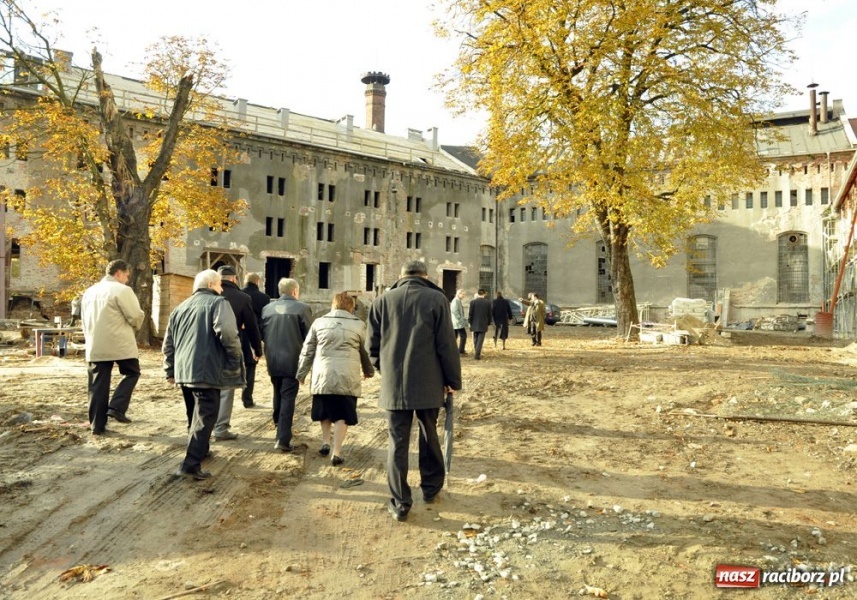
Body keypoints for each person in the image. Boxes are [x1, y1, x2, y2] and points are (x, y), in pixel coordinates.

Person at [367, 260, 462, 521]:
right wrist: (452, 380)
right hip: (429, 382)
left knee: (397, 442)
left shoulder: (382, 301)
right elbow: (446, 344)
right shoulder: (436, 299)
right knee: (428, 434)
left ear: (401, 275)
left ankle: (400, 502)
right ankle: (430, 489)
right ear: (425, 275)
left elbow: (371, 347)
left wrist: (385, 372)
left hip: (394, 384)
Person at [162, 269, 244, 480]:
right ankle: (190, 464)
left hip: (184, 371)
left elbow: (168, 343)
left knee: (194, 414)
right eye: (219, 285)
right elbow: (228, 333)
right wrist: (235, 360)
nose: (221, 289)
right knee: (206, 416)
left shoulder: (180, 307)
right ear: (210, 285)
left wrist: (170, 370)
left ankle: (202, 449)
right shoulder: (218, 303)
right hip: (207, 370)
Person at [297, 292, 374, 466]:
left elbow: (307, 350)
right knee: (342, 415)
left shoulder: (319, 322)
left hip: (323, 374)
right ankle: (336, 452)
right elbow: (364, 351)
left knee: (325, 410)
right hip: (347, 375)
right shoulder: (359, 325)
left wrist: (301, 373)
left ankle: (325, 442)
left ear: (333, 305)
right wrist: (368, 370)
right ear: (350, 307)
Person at [81, 259, 145, 435]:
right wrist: (137, 323)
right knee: (132, 372)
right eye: (126, 275)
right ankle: (116, 407)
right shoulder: (122, 290)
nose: (127, 279)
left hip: (95, 343)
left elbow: (83, 319)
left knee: (97, 385)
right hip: (120, 342)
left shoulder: (89, 291)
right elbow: (134, 316)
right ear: (119, 273)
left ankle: (97, 425)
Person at [261, 278, 313, 452]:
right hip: (292, 360)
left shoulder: (266, 309)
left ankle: (279, 424)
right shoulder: (302, 308)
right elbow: (309, 337)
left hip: (272, 359)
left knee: (278, 393)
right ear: (295, 291)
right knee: (288, 398)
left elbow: (263, 333)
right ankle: (283, 438)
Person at [212, 265, 261, 441]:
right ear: (234, 278)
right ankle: (221, 428)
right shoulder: (242, 298)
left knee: (207, 389)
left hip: (206, 348)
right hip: (230, 347)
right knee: (226, 389)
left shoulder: (208, 295)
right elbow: (252, 326)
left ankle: (204, 427)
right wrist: (257, 348)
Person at [241, 272, 270, 408]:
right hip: (254, 335)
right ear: (258, 282)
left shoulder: (239, 295)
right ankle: (247, 399)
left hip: (237, 334)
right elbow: (265, 319)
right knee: (250, 367)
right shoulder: (264, 298)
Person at [468, 289, 493, 360]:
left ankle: (477, 352)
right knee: (480, 340)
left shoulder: (472, 302)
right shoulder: (487, 303)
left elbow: (470, 313)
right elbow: (489, 314)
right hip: (483, 323)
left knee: (475, 339)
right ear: (484, 294)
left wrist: (470, 321)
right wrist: (489, 322)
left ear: (478, 293)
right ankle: (477, 354)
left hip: (474, 323)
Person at [450, 289, 468, 355]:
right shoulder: (455, 301)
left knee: (454, 336)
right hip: (457, 322)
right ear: (459, 294)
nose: (464, 296)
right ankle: (461, 350)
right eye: (463, 294)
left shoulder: (457, 300)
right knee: (463, 336)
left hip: (456, 322)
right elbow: (454, 311)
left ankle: (453, 350)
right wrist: (460, 319)